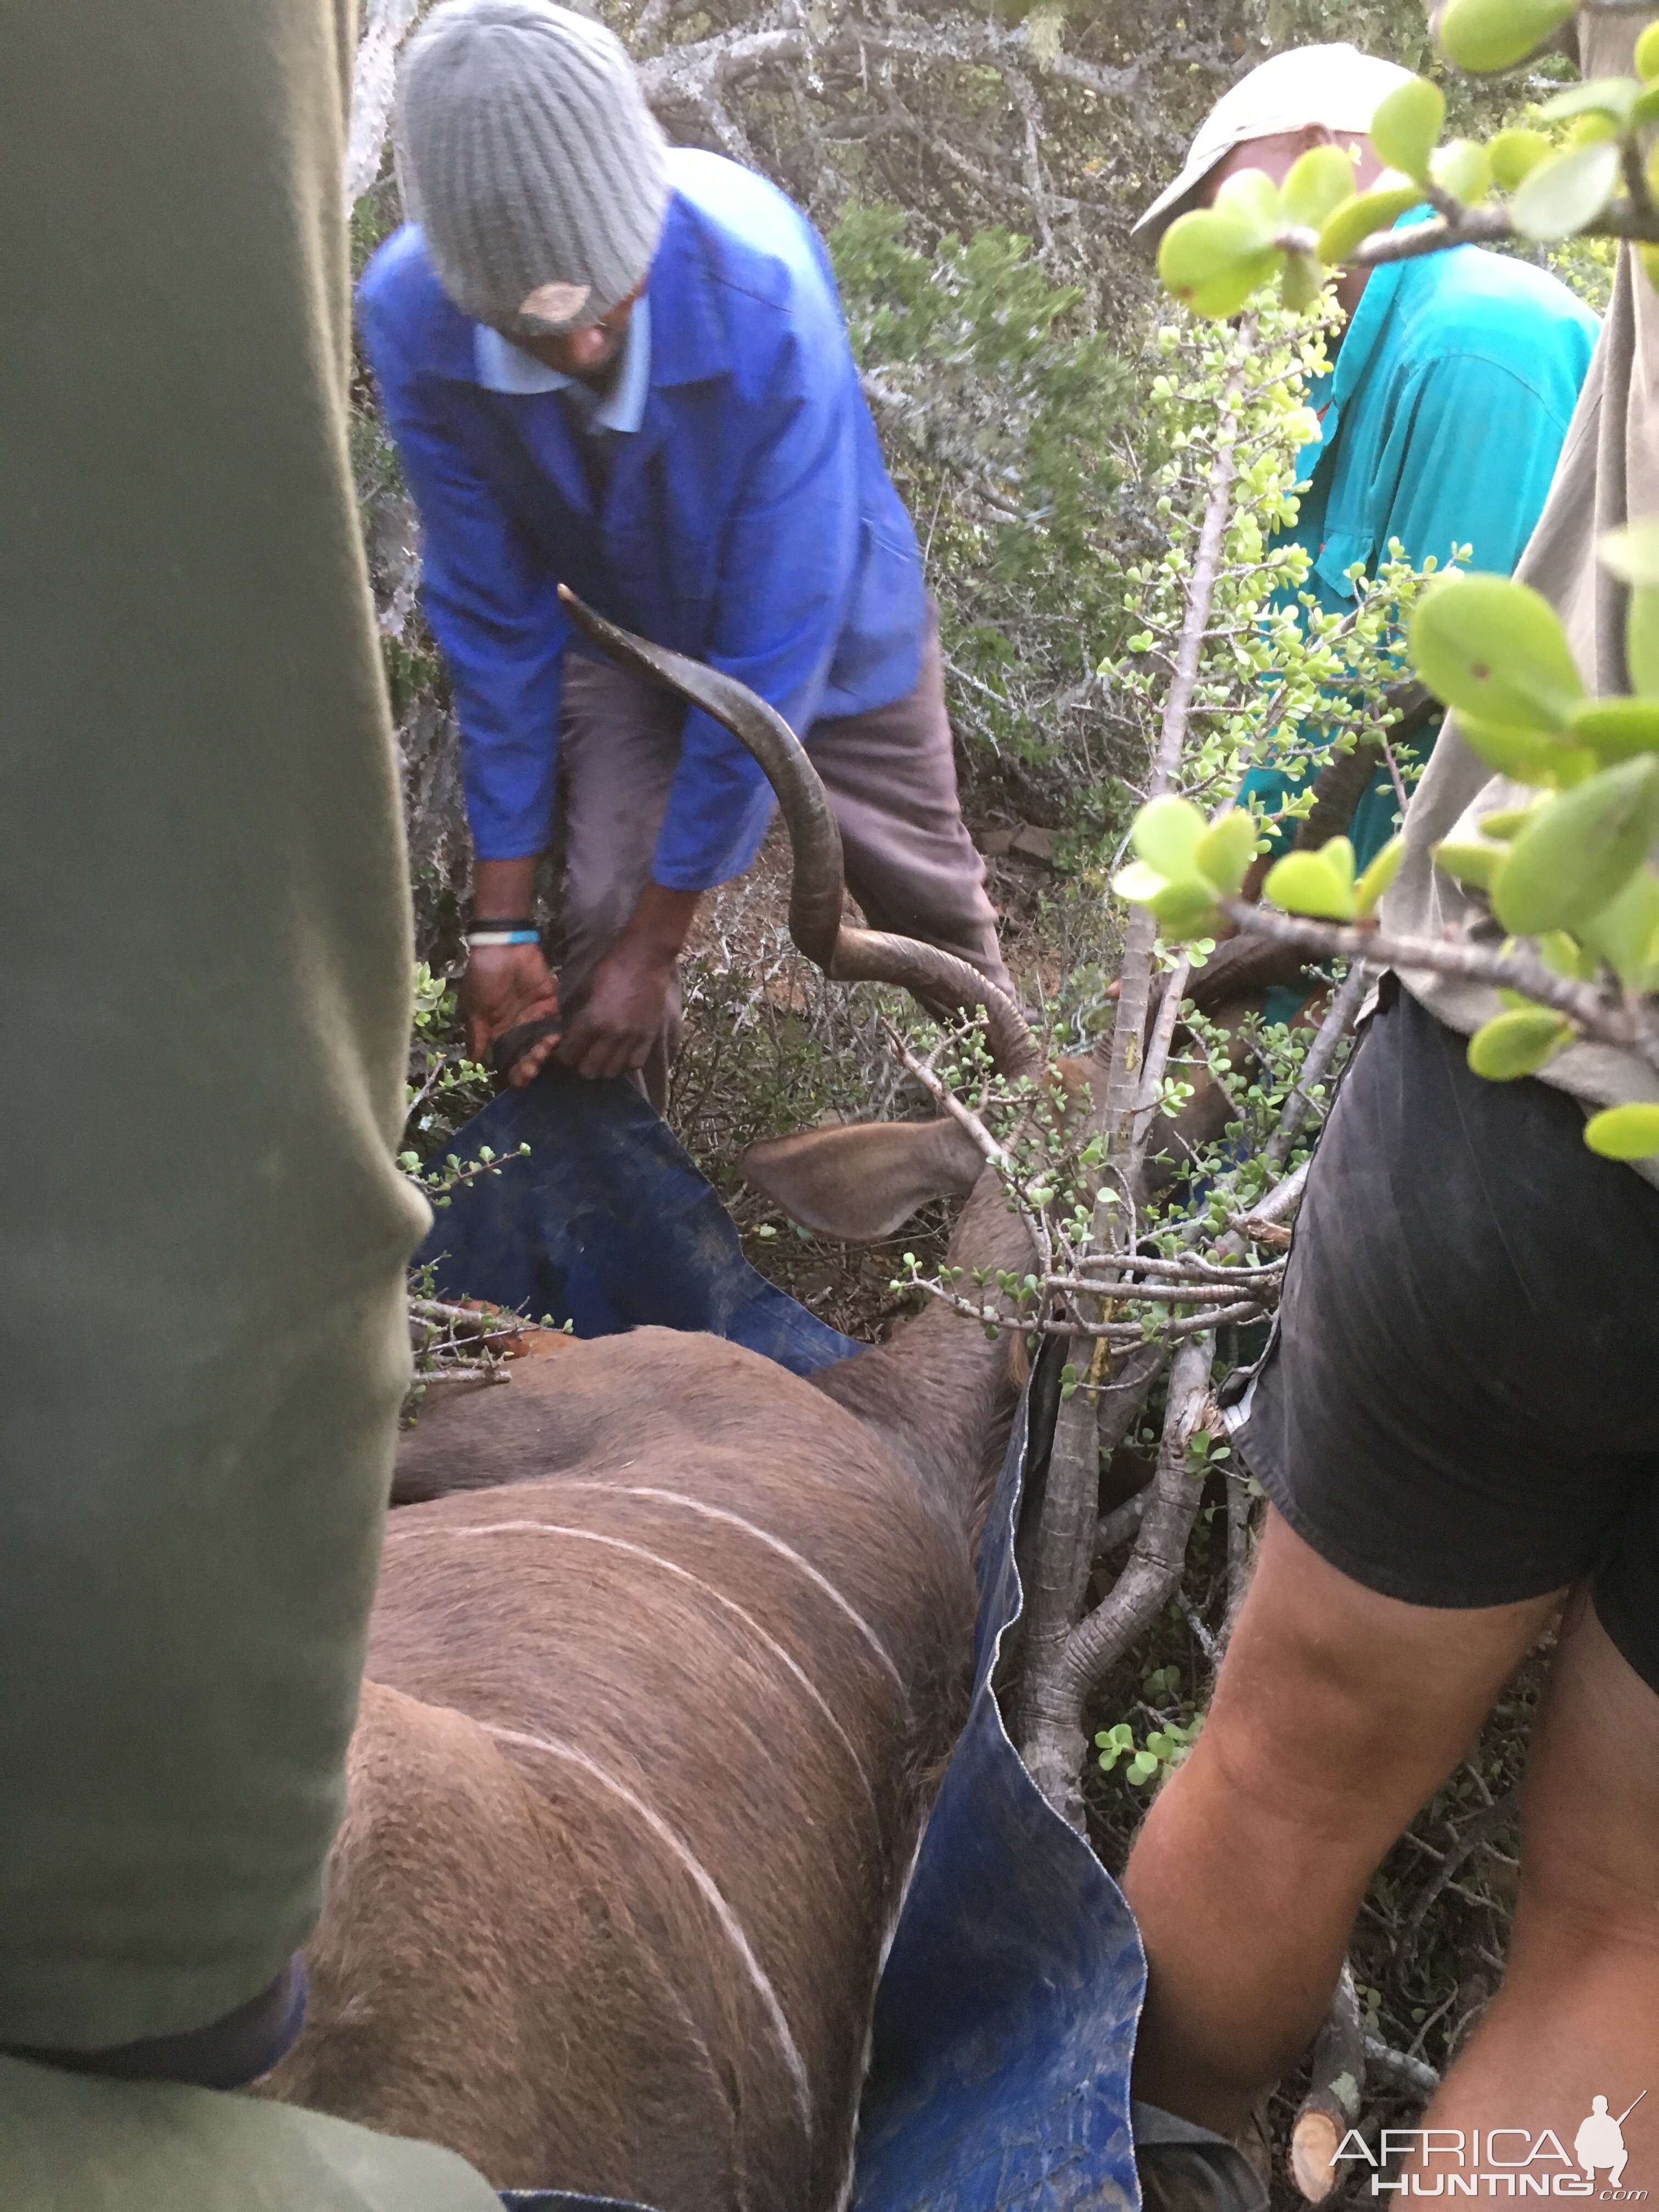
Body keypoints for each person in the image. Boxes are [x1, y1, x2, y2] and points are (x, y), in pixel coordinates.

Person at [1120, 9, 1659, 2192]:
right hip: (1532, 1046)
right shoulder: (1391, 331)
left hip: (1539, 1036)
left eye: (1236, 197)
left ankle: (1147, 2150)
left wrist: (1229, 918)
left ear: (1347, 148)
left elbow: (1397, 673)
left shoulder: (1470, 313)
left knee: (1287, 1754)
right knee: (1630, 1918)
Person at [1, 2, 494, 2204]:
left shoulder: (745, 305)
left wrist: (648, 913)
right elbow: (433, 616)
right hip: (102, 1763)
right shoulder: (396, 296)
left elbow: (786, 619)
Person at [359, 0, 1011, 1107]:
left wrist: (664, 948)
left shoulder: (761, 290)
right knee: (603, 909)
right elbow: (493, 616)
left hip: (832, 630)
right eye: (530, 328)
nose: (571, 348)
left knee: (930, 905)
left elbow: (771, 653)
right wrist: (500, 916)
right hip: (623, 641)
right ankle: (622, 1214)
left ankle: (1032, 1149)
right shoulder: (413, 316)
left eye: (601, 308)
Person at [1135, 44, 1598, 883]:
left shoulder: (1478, 342)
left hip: (1458, 936)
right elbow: (1316, 705)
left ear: (1323, 153)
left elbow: (1449, 727)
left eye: (1222, 202)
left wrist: (1269, 937)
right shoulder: (1346, 368)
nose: (1218, 247)